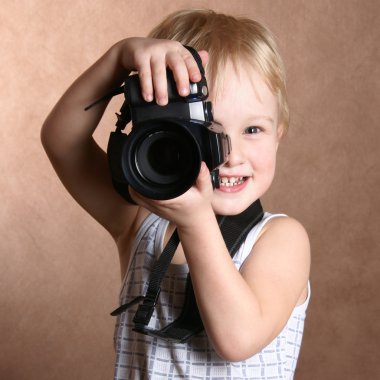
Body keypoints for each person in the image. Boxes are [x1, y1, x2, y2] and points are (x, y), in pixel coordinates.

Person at [41, 8, 310, 380]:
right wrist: (120, 58)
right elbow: (61, 140)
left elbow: (238, 338)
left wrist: (197, 222)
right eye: (208, 131)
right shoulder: (140, 222)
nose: (230, 155)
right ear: (162, 135)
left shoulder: (281, 239)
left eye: (252, 129)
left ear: (278, 135)